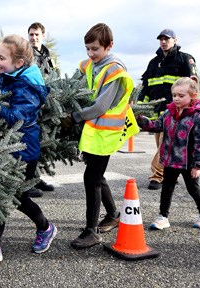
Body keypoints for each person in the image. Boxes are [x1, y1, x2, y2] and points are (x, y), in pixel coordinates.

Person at [0, 35, 57, 264]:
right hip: (9, 146)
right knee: (18, 199)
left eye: (1, 57)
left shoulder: (26, 86)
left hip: (22, 150)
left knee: (2, 197)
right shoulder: (8, 76)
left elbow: (16, 117)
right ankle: (45, 228)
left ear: (18, 63)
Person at [62, 23, 135, 249]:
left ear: (109, 45)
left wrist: (73, 116)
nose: (91, 54)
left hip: (106, 132)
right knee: (98, 175)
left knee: (91, 178)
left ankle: (91, 231)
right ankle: (113, 214)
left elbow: (101, 106)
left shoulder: (114, 70)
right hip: (93, 131)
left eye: (95, 49)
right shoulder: (88, 65)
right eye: (87, 49)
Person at [137, 76, 200, 229]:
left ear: (193, 95)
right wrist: (141, 119)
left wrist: (197, 165)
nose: (176, 99)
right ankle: (163, 217)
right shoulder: (169, 112)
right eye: (174, 95)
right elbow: (156, 126)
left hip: (189, 162)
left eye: (181, 95)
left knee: (193, 188)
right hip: (170, 159)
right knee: (167, 188)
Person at [137, 29, 197, 190]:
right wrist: (141, 106)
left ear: (175, 40)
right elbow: (146, 88)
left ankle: (157, 176)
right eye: (161, 39)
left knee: (165, 145)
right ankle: (171, 174)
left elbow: (192, 86)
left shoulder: (185, 59)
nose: (163, 42)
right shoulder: (153, 62)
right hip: (157, 114)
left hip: (175, 113)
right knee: (162, 146)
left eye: (167, 39)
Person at [27, 22, 56, 196]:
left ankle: (36, 178)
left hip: (46, 102)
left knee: (42, 143)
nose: (33, 37)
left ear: (43, 35)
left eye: (37, 34)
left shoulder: (46, 54)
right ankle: (27, 182)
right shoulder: (27, 54)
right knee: (31, 143)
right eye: (31, 34)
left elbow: (51, 75)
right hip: (31, 102)